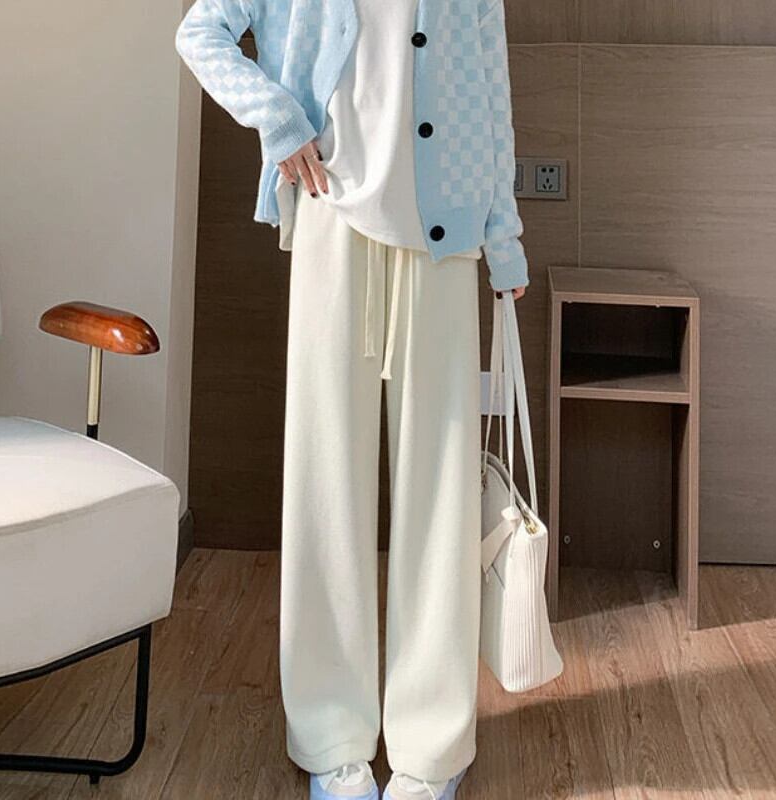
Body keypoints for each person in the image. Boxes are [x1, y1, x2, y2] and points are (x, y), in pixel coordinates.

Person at [176, 1, 528, 797]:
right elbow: (200, 32)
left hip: (446, 232)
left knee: (439, 492)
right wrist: (280, 122)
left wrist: (504, 238)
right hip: (333, 212)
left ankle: (432, 747)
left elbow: (492, 89)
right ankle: (332, 738)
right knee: (326, 481)